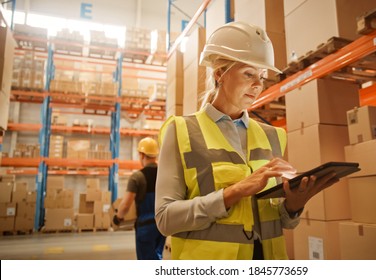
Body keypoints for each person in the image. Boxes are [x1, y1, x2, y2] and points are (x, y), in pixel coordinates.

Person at [155, 21, 339, 260]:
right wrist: (233, 192)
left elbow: (281, 221)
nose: (258, 85)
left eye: (262, 77)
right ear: (220, 73)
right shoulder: (182, 130)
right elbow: (165, 219)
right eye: (249, 74)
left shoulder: (273, 135)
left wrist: (294, 205)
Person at [113, 137, 166, 260]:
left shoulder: (137, 177)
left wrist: (118, 218)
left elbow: (126, 204)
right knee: (157, 257)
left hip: (145, 227)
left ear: (142, 155)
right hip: (161, 225)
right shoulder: (163, 174)